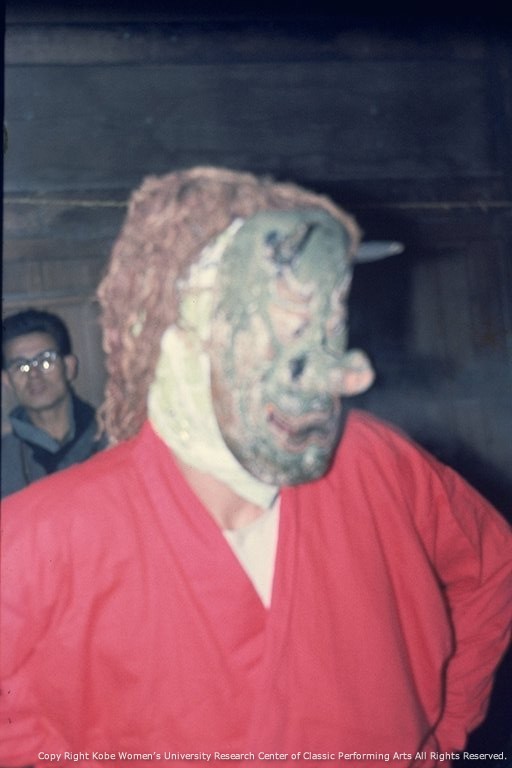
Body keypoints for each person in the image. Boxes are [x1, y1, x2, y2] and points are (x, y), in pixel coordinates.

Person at [0, 167, 511, 768]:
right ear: (171, 333)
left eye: (328, 325)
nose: (350, 373)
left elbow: (491, 569)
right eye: (278, 327)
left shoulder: (375, 461)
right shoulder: (41, 532)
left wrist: (440, 734)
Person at [1, 308, 107, 497]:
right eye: (21, 366)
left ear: (69, 367)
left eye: (46, 361)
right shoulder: (6, 458)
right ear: (7, 380)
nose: (33, 374)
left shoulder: (112, 437)